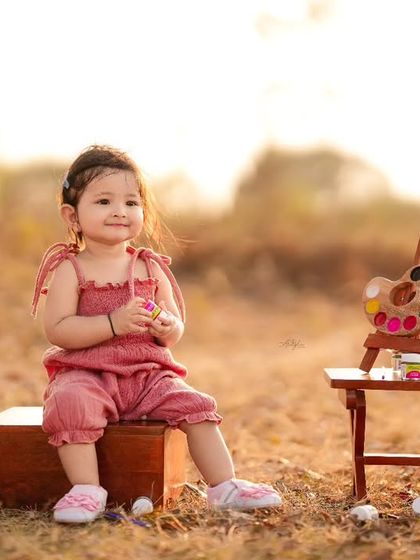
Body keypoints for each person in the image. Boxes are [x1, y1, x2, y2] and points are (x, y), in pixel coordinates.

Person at [31, 145, 282, 524]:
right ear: (73, 215)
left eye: (132, 202)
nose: (120, 211)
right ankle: (86, 489)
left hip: (149, 375)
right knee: (69, 402)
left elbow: (175, 324)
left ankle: (224, 485)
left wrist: (167, 327)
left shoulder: (148, 266)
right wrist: (113, 323)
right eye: (103, 201)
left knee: (195, 405)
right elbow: (59, 329)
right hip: (89, 374)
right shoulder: (71, 269)